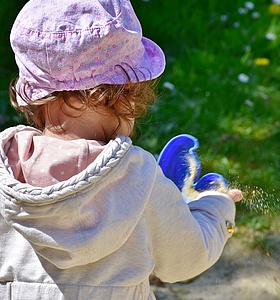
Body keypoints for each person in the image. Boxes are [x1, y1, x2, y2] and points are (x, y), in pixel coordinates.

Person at [0, 0, 243, 299]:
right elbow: (185, 260)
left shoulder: (4, 169)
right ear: (125, 94)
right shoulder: (138, 178)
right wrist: (216, 208)